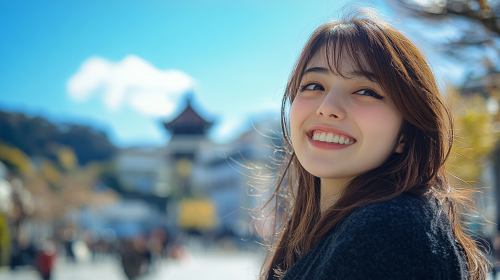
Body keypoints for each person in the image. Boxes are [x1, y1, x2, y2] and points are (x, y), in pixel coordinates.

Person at [259, 7, 491, 280]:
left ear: (406, 134)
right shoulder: (338, 230)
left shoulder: (390, 227)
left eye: (365, 91)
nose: (327, 107)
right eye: (313, 86)